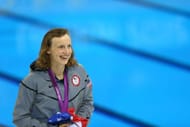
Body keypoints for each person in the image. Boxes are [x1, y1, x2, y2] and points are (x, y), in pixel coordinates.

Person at [13, 28, 94, 127]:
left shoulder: (79, 71)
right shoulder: (31, 82)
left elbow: (87, 102)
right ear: (48, 50)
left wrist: (77, 124)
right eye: (61, 47)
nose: (67, 52)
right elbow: (20, 118)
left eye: (69, 46)